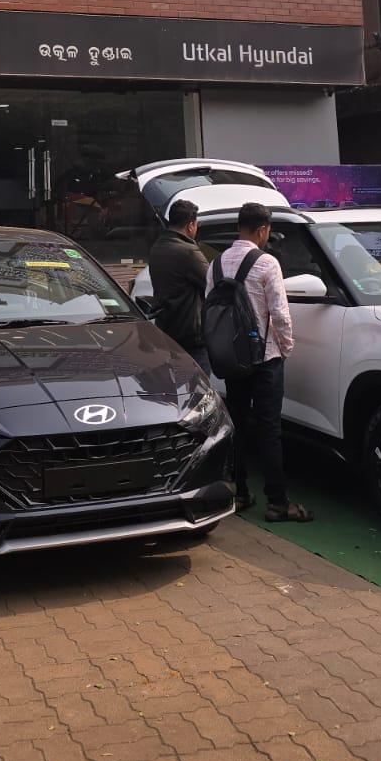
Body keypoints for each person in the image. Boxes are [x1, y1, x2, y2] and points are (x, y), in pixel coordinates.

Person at [218, 202, 314, 524]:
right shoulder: (266, 262)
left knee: (239, 424)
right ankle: (278, 502)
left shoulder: (216, 264)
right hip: (265, 358)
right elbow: (280, 314)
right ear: (262, 230)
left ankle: (241, 492)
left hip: (233, 358)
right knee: (269, 429)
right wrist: (284, 349)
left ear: (238, 227)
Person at [148, 198, 210, 373]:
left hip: (167, 329)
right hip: (190, 333)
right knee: (198, 386)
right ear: (190, 225)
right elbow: (211, 284)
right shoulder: (188, 251)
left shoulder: (158, 247)